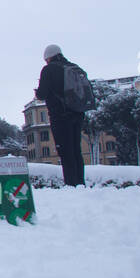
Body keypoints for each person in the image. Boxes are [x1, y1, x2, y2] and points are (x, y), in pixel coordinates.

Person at [35, 43, 88, 187]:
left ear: (48, 58)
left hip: (60, 115)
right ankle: (80, 183)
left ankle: (71, 185)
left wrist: (37, 92)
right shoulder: (75, 68)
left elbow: (42, 94)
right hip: (77, 113)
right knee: (76, 150)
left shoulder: (49, 69)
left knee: (65, 151)